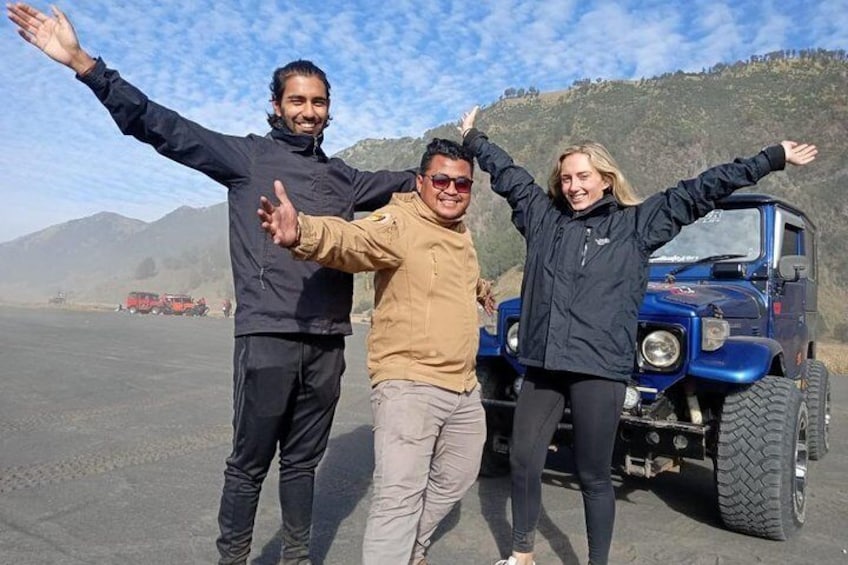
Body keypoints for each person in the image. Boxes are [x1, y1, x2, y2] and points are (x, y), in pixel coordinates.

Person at [8, 4, 416, 564]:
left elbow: (412, 181)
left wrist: (458, 159)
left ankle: (296, 559)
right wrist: (83, 63)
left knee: (302, 465)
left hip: (326, 343)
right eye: (297, 100)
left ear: (329, 110)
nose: (308, 111)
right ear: (276, 106)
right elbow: (160, 125)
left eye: (318, 102)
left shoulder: (344, 178)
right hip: (266, 339)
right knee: (248, 464)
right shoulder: (246, 157)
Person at [458, 106, 817, 565]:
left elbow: (701, 190)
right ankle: (522, 552)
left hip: (599, 371)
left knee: (592, 475)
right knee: (524, 460)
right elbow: (508, 175)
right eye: (567, 178)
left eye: (584, 176)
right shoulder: (542, 220)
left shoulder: (636, 225)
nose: (574, 186)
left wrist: (771, 157)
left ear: (605, 179)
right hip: (544, 366)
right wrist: (473, 139)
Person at [258, 138, 491, 565]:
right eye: (441, 179)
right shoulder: (398, 222)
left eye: (463, 184)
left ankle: (412, 550)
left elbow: (457, 276)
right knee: (398, 498)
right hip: (410, 384)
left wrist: (482, 290)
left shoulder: (460, 232)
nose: (451, 190)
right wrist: (301, 232)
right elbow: (351, 240)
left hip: (463, 386)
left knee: (456, 479)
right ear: (421, 181)